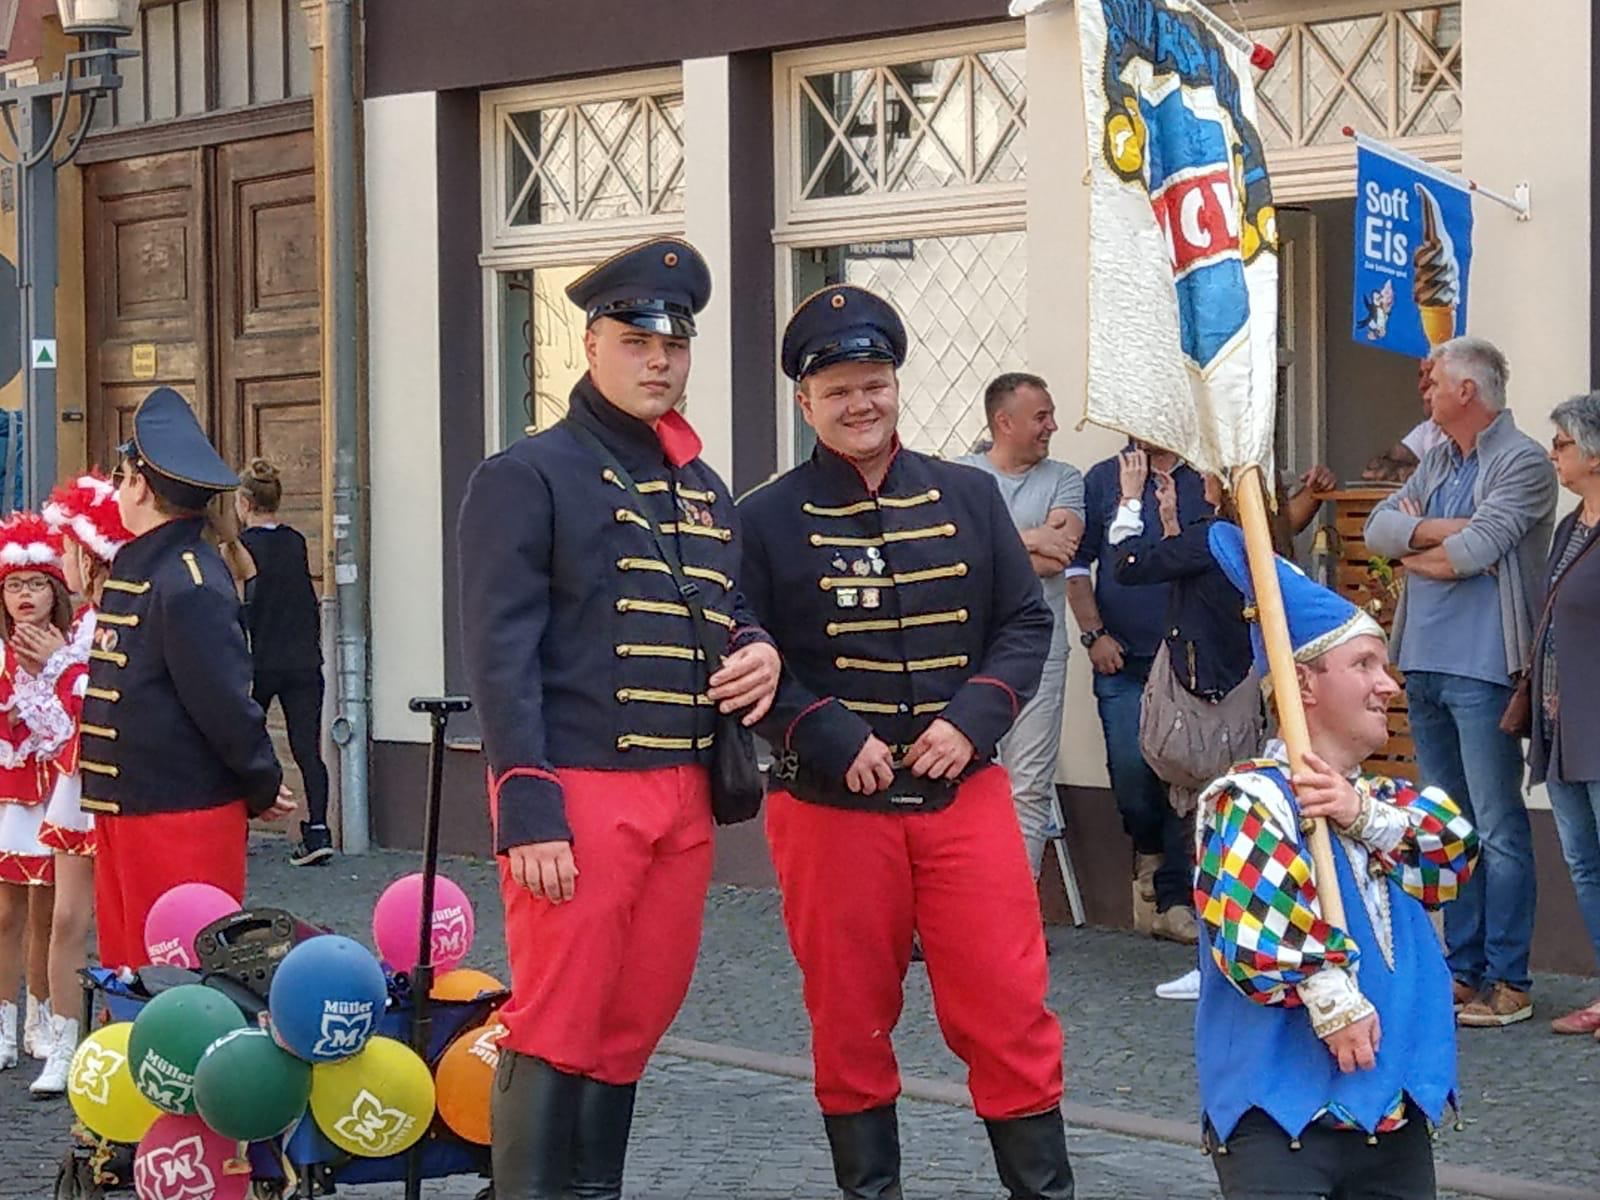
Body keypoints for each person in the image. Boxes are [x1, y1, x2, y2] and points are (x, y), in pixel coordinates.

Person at [457, 237, 779, 1200]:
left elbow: (721, 604)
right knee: (559, 1015)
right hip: (579, 786)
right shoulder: (528, 474)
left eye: (674, 346)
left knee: (636, 1018)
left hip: (684, 791)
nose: (658, 362)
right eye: (637, 342)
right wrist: (527, 803)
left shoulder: (702, 488)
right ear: (591, 344)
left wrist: (757, 645)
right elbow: (501, 651)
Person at [740, 285, 1072, 1200]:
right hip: (831, 813)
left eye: (875, 384)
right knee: (849, 1020)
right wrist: (822, 728)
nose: (861, 404)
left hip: (964, 800)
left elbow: (1023, 624)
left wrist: (972, 720)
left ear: (896, 386)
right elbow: (736, 649)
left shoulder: (966, 494)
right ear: (805, 401)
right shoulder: (763, 519)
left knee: (1008, 1009)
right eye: (839, 389)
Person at [1195, 522, 1479, 1200]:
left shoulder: (1387, 801)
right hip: (1284, 1123)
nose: (1389, 685)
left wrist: (1363, 817)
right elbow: (1254, 929)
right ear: (1303, 684)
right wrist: (1332, 997)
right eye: (1365, 665)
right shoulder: (1250, 800)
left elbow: (1453, 855)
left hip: (1394, 1115)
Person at [1365, 336, 1556, 1028]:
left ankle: (1509, 978)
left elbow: (1475, 552)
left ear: (1467, 390)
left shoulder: (1524, 462)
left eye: (1433, 382)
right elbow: (1380, 530)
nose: (1424, 392)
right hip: (1422, 659)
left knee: (1498, 825)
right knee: (1449, 826)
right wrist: (1440, 535)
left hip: (1484, 665)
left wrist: (1425, 544)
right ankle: (1462, 969)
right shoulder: (1439, 458)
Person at [84, 387, 295, 974]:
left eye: (123, 478)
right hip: (128, 806)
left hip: (178, 811)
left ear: (140, 487)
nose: (117, 491)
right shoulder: (146, 566)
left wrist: (261, 779)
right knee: (130, 972)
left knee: (178, 976)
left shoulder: (188, 579)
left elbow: (223, 701)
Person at [1111, 472, 1262, 1002]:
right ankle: (1226, 956)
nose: (1199, 478)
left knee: (1210, 827)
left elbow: (1129, 565)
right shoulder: (1249, 536)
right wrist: (1173, 521)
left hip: (1207, 704)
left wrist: (1130, 503)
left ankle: (1217, 963)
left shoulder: (1213, 537)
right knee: (1231, 825)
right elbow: (1192, 574)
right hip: (1240, 694)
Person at [1067, 441, 1208, 944]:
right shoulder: (1103, 477)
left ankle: (1174, 900)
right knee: (1131, 772)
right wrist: (1093, 635)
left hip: (1188, 659)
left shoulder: (1204, 476)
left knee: (1181, 778)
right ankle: (1147, 849)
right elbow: (1077, 565)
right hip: (1122, 659)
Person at [956, 372, 1085, 883]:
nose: (1052, 426)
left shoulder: (1065, 479)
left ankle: (1015, 910)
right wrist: (1029, 539)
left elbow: (1059, 558)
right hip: (966, 652)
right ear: (1004, 422)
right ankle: (964, 904)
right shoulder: (961, 477)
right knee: (961, 780)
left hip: (1040, 655)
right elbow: (952, 558)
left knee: (1028, 787)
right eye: (1041, 417)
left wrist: (985, 547)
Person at [30, 472, 132, 1094]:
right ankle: (64, 1043)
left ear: (90, 555)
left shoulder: (119, 617)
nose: (60, 558)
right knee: (67, 917)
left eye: (68, 547)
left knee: (121, 917)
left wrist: (60, 670)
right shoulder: (81, 623)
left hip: (120, 779)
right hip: (78, 779)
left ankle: (125, 1035)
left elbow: (105, 699)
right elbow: (61, 721)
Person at [1530, 393, 1600, 1038]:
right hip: (1562, 727)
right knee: (1583, 862)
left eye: (1562, 444)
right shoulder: (1569, 527)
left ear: (1595, 453)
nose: (1553, 454)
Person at [0, 513, 76, 1072]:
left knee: (49, 912)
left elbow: (66, 725)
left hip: (53, 789)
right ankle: (3, 1022)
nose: (24, 595)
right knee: (4, 912)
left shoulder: (71, 650)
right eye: (13, 584)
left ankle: (43, 1018)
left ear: (56, 590)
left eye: (35, 583)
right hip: (6, 789)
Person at [236, 458, 333, 867]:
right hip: (303, 660)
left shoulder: (240, 547)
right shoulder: (295, 541)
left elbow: (241, 604)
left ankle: (240, 826)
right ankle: (319, 830)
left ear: (244, 503)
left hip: (260, 660)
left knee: (242, 743)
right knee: (308, 749)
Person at [1364, 358, 1446, 484]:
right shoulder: (1430, 428)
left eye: (1431, 375)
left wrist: (1413, 473)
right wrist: (1396, 470)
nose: (1421, 385)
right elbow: (1374, 470)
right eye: (1421, 375)